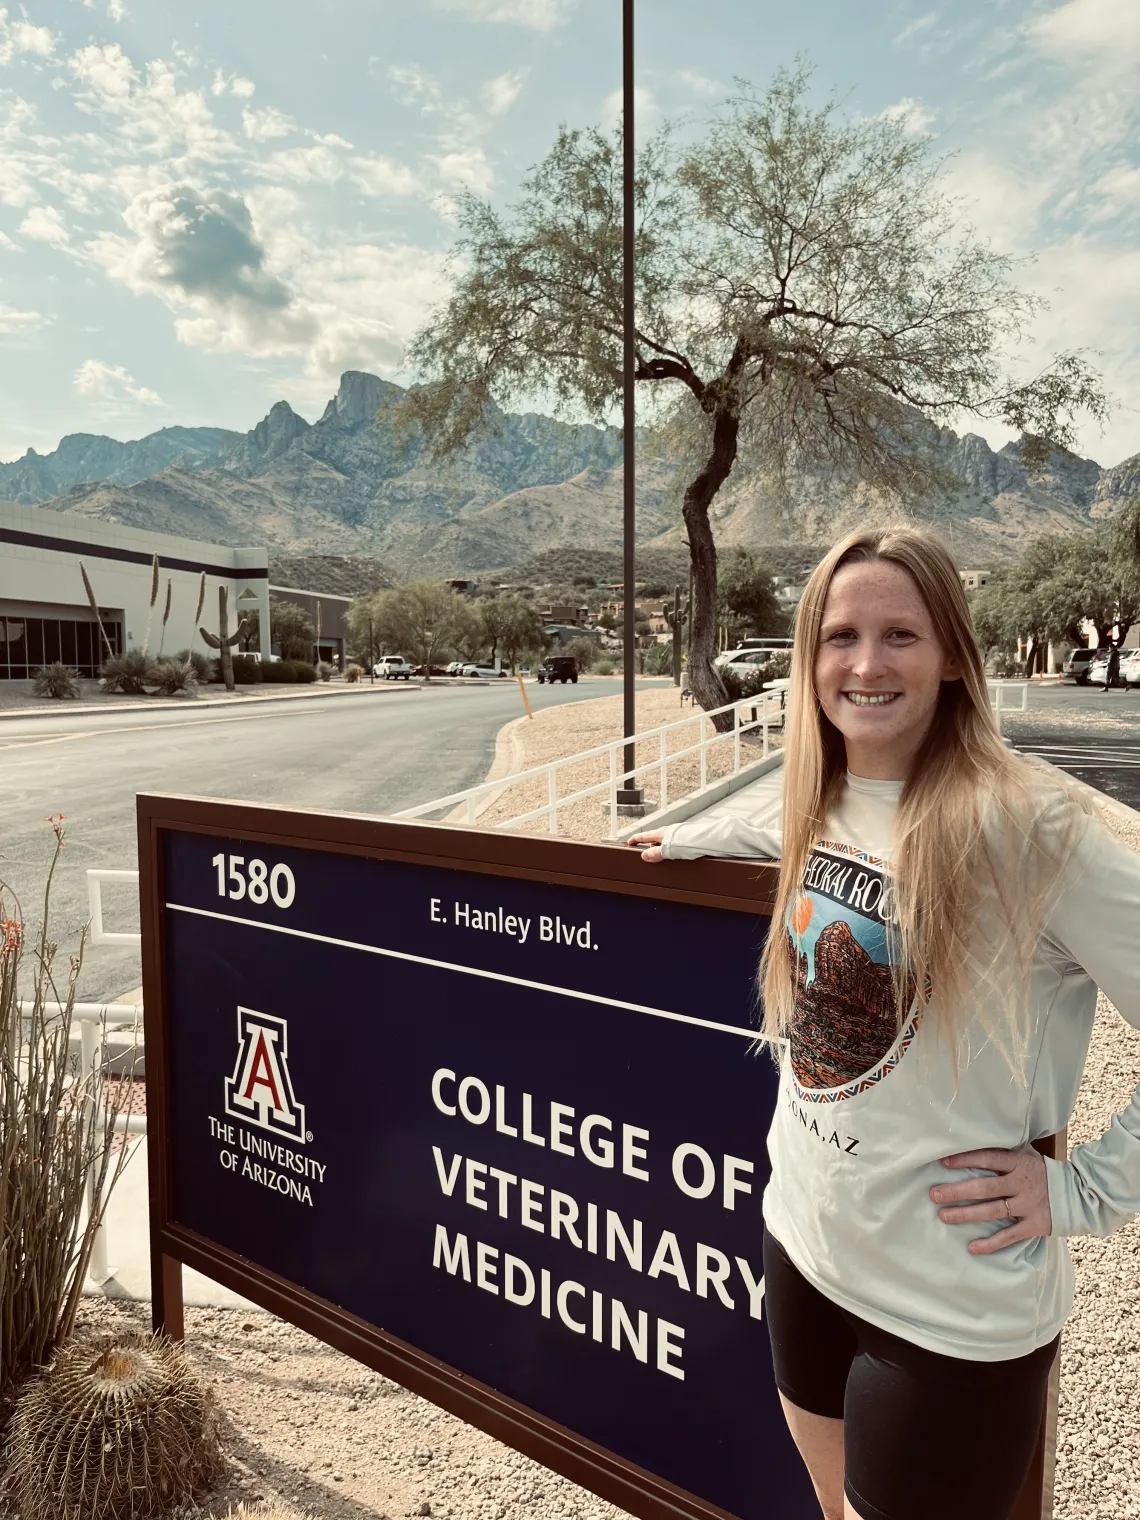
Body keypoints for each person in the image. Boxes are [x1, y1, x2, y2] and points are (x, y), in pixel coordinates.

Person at [628, 525, 1140, 1520]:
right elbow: (794, 830)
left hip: (950, 1311)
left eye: (900, 633)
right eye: (840, 634)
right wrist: (688, 837)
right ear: (809, 657)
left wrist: (1086, 1190)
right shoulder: (819, 794)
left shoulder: (1039, 828)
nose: (865, 663)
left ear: (952, 654)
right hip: (807, 1249)